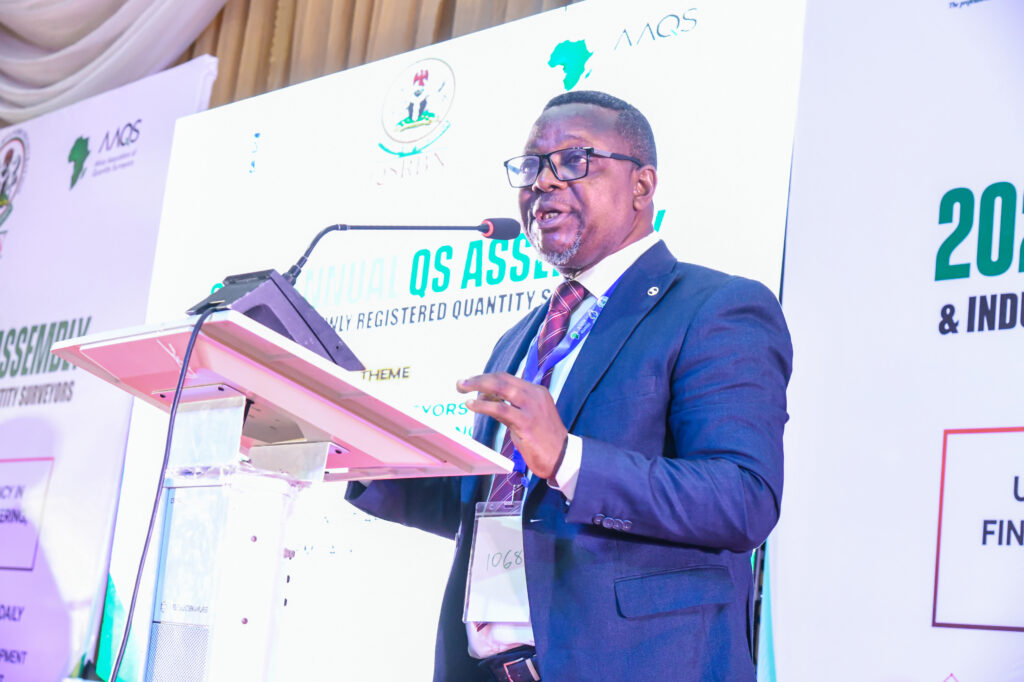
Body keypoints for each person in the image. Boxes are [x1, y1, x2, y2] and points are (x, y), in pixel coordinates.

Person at [347, 90, 792, 681]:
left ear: (641, 185)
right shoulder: (521, 338)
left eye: (574, 160)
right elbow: (493, 505)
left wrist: (569, 458)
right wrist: (353, 444)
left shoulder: (716, 308)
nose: (544, 182)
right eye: (532, 166)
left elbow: (742, 498)